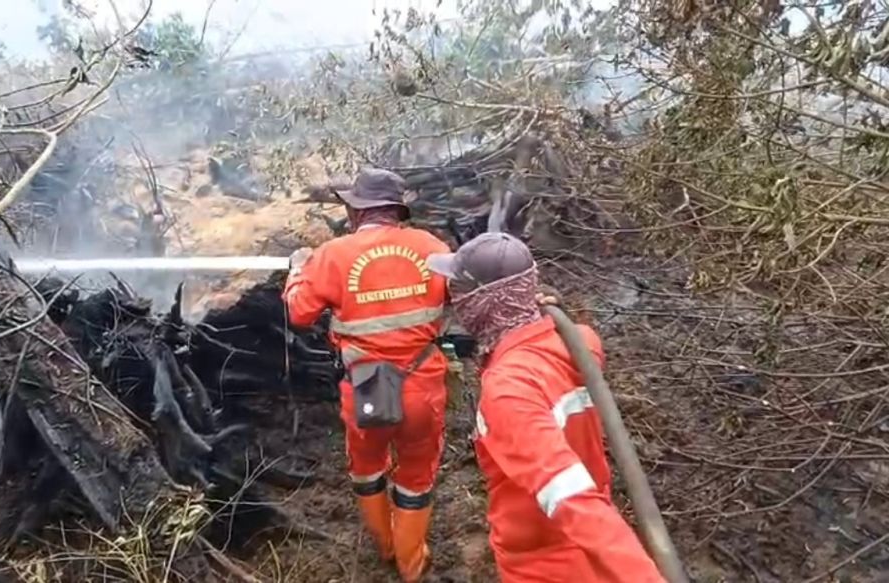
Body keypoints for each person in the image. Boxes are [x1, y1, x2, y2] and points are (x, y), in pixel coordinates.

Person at [426, 231, 665, 583]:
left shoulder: (509, 388)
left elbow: (573, 499)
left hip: (543, 564)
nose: (454, 299)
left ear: (482, 301)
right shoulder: (580, 342)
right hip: (583, 548)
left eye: (458, 289)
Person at [283, 168, 449, 582]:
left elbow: (299, 313)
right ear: (398, 210)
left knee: (367, 465)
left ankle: (386, 546)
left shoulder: (333, 255)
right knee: (417, 472)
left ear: (356, 211)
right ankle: (411, 564)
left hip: (367, 388)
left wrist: (298, 270)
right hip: (423, 386)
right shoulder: (432, 247)